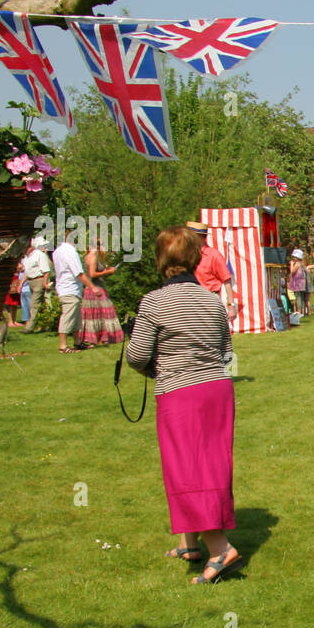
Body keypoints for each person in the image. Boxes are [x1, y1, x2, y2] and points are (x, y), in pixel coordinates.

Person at [126, 226, 240, 585]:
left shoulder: (154, 302)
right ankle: (189, 543)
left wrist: (155, 367)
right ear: (195, 258)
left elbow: (137, 355)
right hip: (217, 390)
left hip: (181, 392)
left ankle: (220, 549)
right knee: (210, 463)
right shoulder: (211, 300)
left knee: (188, 469)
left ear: (162, 259)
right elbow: (226, 351)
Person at [52, 232, 100, 354]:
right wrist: (92, 287)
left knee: (76, 317)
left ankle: (78, 342)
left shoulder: (57, 251)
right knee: (68, 316)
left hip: (65, 287)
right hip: (70, 288)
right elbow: (79, 273)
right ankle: (63, 346)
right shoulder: (70, 252)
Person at [187, 222, 238, 324]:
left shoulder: (213, 255)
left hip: (209, 300)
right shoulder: (187, 255)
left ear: (200, 237)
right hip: (191, 299)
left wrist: (231, 306)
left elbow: (227, 281)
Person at [77, 243, 125, 347]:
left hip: (92, 289)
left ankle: (99, 338)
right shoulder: (93, 255)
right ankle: (103, 338)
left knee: (98, 315)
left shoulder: (89, 255)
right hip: (95, 289)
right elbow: (92, 274)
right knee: (106, 312)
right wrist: (107, 272)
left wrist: (106, 270)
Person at [20, 236, 52, 333]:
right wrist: (21, 284)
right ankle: (45, 325)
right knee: (41, 305)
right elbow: (27, 272)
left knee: (34, 305)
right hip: (31, 281)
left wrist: (44, 283)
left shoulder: (39, 255)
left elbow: (46, 271)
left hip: (39, 280)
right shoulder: (28, 257)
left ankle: (29, 328)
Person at [289, 250, 310, 316]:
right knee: (301, 298)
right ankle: (303, 311)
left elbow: (292, 271)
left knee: (298, 298)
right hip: (302, 283)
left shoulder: (297, 264)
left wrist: (291, 265)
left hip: (298, 283)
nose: (293, 258)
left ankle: (299, 312)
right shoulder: (302, 264)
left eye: (294, 257)